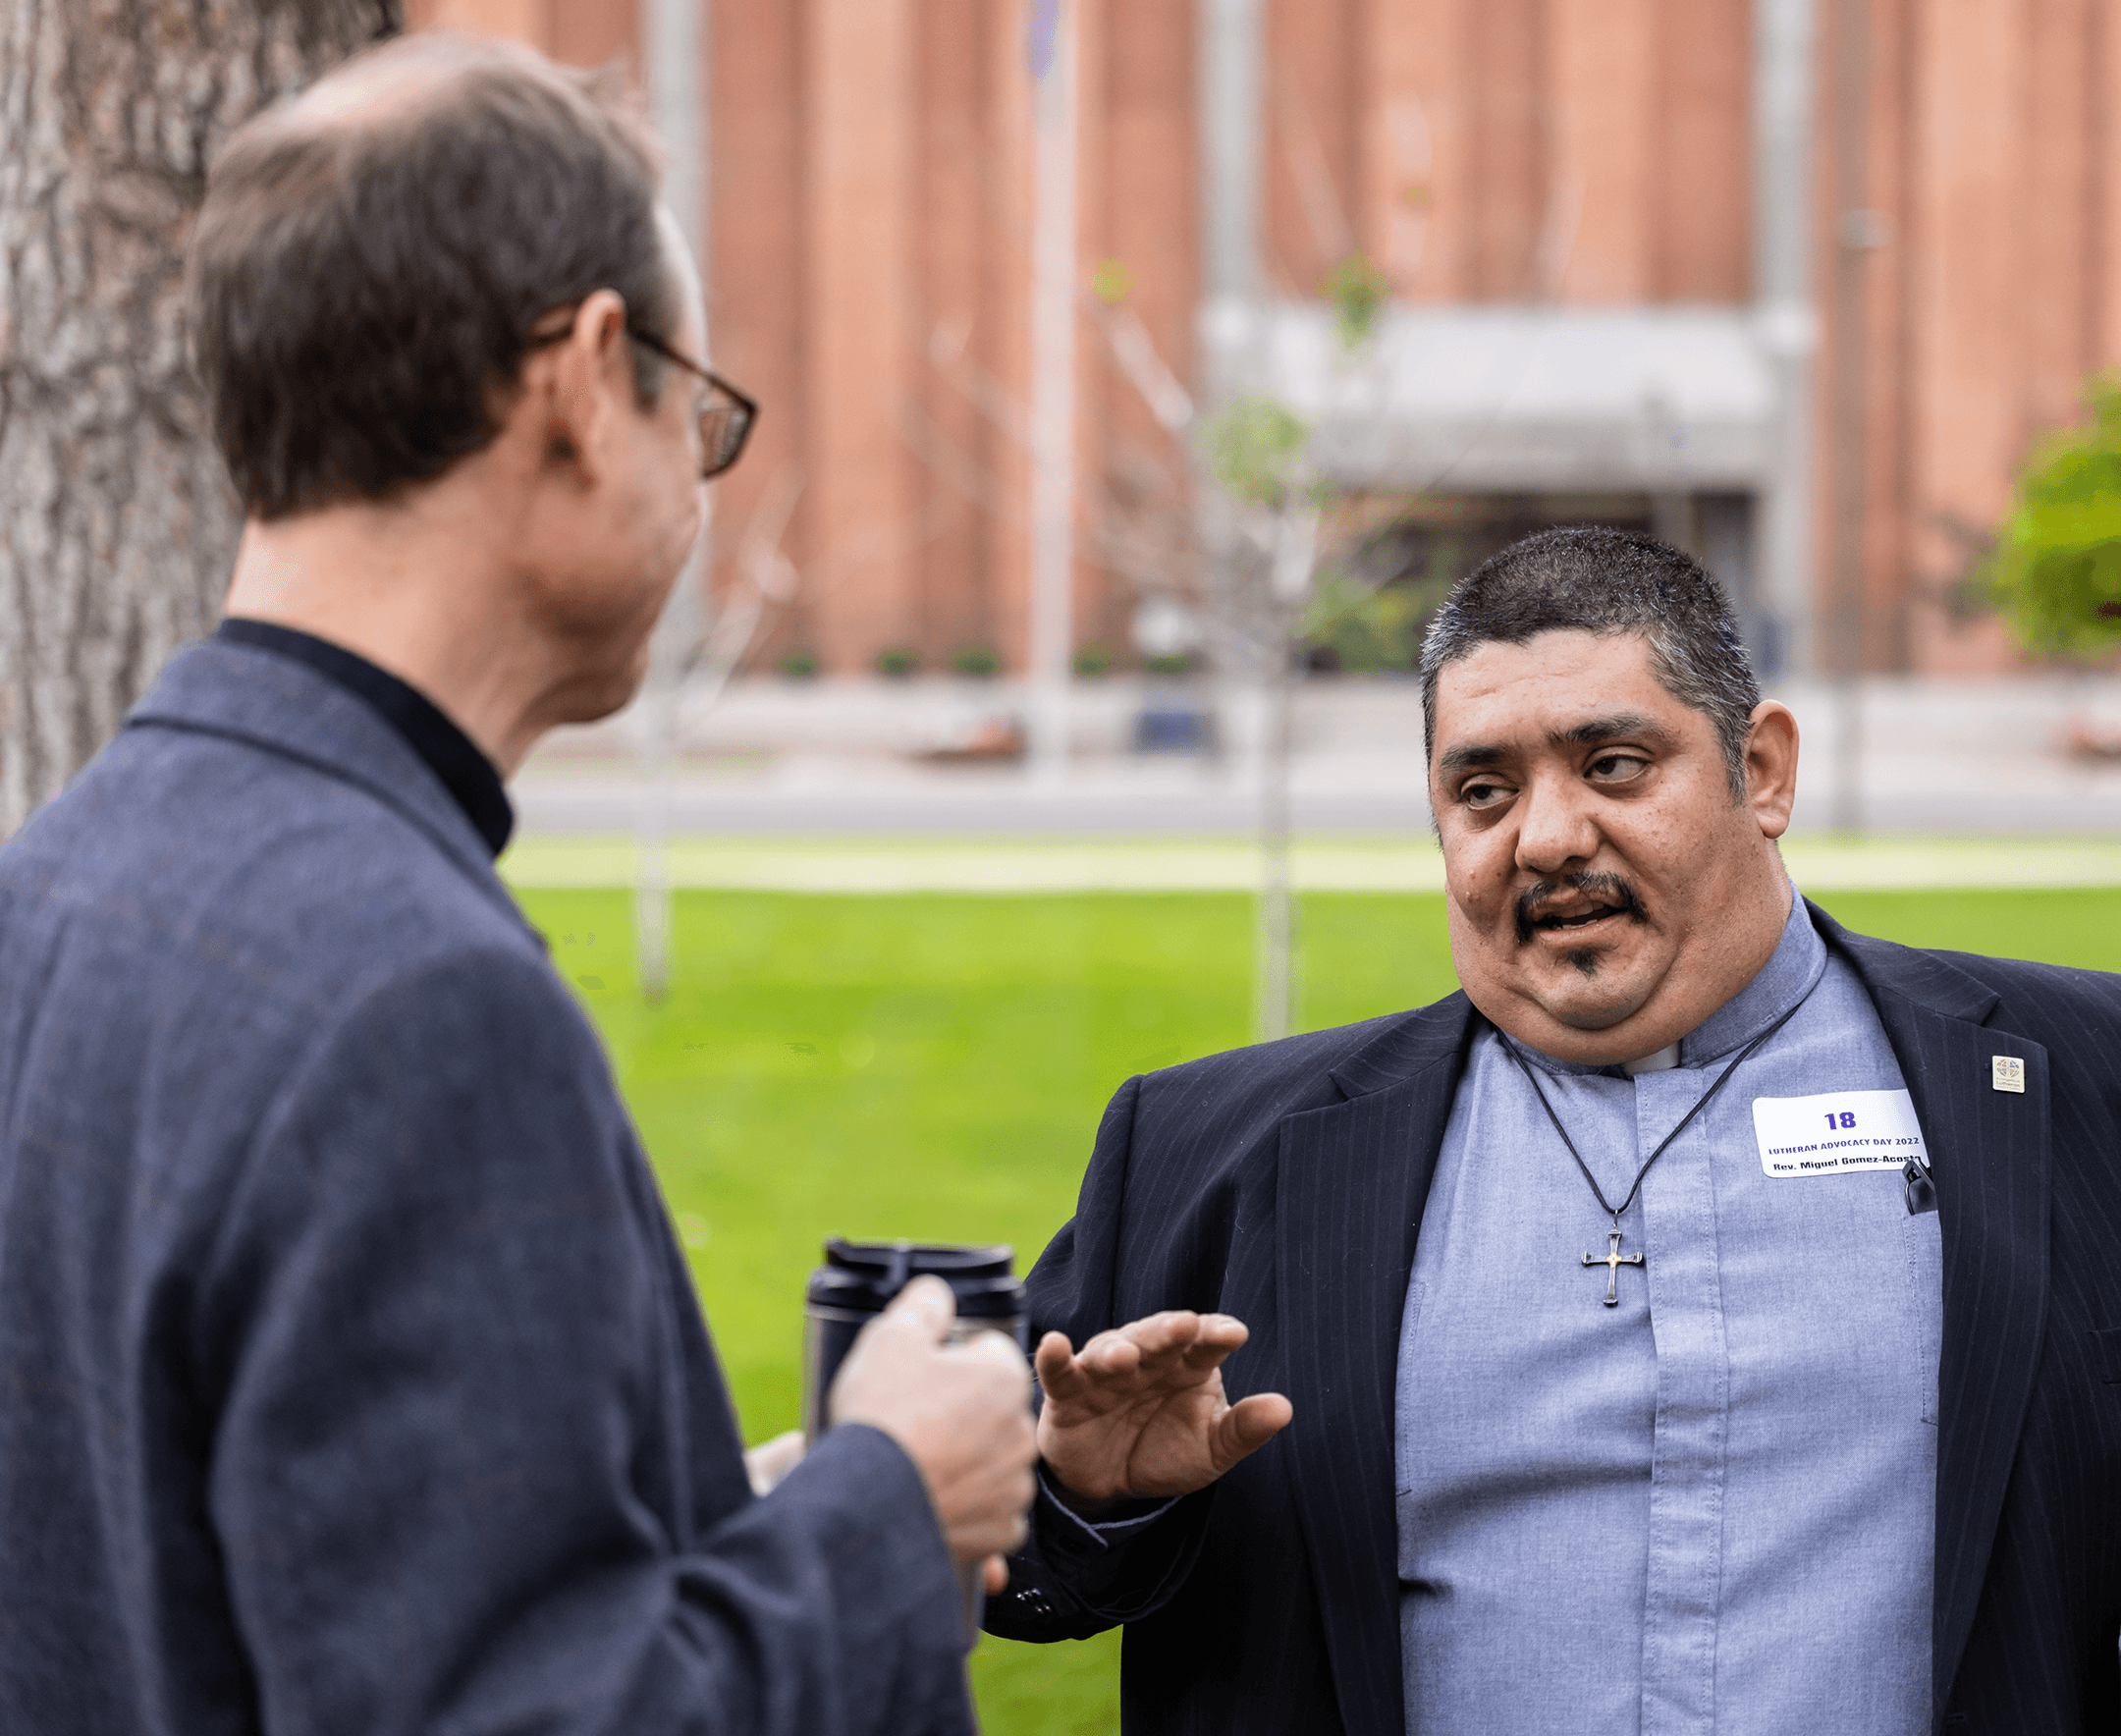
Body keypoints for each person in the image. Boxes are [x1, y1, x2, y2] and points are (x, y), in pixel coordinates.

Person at [0, 33, 1036, 1736]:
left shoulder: (56, 880)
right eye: (697, 414)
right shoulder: (418, 1001)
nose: (705, 485)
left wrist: (721, 1521)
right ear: (580, 378)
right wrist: (889, 1503)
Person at [991, 527, 2121, 1733]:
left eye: (1615, 765)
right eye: (1484, 791)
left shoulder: (2080, 1076)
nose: (1546, 836)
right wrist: (1081, 1499)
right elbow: (1004, 1579)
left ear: (1766, 770)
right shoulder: (1205, 1151)